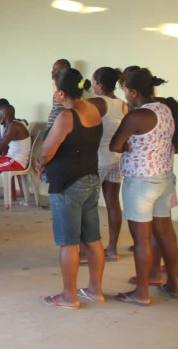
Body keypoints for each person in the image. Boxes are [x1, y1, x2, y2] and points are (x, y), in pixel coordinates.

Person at [36, 68, 104, 309]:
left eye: (55, 89)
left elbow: (47, 152)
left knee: (68, 242)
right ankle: (95, 290)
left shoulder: (67, 116)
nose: (54, 93)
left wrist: (41, 163)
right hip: (90, 179)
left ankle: (69, 296)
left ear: (62, 92)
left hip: (67, 183)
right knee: (93, 239)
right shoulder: (93, 109)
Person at [110, 67, 178, 306]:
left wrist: (127, 144)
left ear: (134, 91)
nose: (125, 95)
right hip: (165, 178)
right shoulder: (166, 110)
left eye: (126, 90)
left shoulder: (136, 117)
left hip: (140, 182)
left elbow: (115, 145)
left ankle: (141, 292)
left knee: (142, 239)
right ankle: (174, 284)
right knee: (165, 233)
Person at [87, 67, 128, 262]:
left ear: (100, 85)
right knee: (112, 203)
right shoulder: (123, 105)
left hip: (98, 160)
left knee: (88, 205)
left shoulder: (95, 102)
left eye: (93, 82)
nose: (92, 85)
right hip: (116, 159)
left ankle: (89, 250)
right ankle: (112, 248)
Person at [46, 59, 71, 136]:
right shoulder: (58, 85)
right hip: (54, 128)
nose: (52, 72)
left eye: (55, 70)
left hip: (58, 130)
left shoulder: (67, 87)